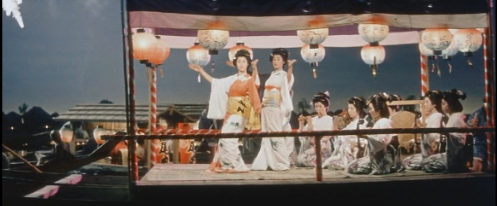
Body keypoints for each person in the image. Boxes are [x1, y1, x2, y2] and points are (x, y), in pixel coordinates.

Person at [189, 49, 261, 173]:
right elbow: (215, 82)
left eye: (244, 61)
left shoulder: (248, 79)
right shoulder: (232, 79)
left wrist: (258, 110)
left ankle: (234, 165)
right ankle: (229, 164)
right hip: (230, 112)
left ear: (248, 63)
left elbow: (255, 92)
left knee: (229, 138)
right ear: (236, 64)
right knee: (224, 139)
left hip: (240, 111)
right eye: (239, 61)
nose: (241, 64)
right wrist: (201, 71)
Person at [251, 48, 295, 171]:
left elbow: (288, 83)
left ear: (284, 62)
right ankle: (268, 162)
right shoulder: (272, 75)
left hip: (275, 107)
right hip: (266, 108)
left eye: (278, 59)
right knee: (266, 137)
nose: (275, 61)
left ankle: (282, 162)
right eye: (274, 59)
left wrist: (290, 68)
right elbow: (258, 83)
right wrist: (255, 68)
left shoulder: (283, 75)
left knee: (276, 135)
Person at [347, 93, 395, 175]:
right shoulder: (380, 122)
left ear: (378, 111)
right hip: (375, 157)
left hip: (382, 160)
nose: (369, 112)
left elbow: (382, 141)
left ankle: (381, 168)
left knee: (352, 167)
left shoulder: (384, 122)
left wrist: (366, 136)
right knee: (351, 165)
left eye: (371, 109)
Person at [322, 96, 368, 170]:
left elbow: (364, 140)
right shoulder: (350, 124)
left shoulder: (362, 123)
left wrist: (355, 144)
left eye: (352, 108)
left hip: (352, 153)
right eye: (348, 108)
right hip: (343, 152)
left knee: (331, 164)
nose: (349, 111)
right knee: (327, 163)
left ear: (358, 110)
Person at [402, 90, 444, 170]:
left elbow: (435, 136)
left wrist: (422, 128)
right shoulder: (432, 117)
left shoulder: (437, 116)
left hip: (433, 152)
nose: (424, 105)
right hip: (427, 153)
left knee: (408, 163)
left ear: (434, 104)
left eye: (427, 102)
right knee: (406, 161)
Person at [295, 91, 334, 167]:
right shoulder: (313, 119)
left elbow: (324, 137)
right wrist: (301, 124)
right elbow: (303, 137)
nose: (318, 109)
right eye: (316, 106)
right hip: (310, 148)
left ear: (326, 107)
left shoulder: (330, 119)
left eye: (320, 106)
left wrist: (310, 125)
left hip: (321, 148)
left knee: (302, 160)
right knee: (300, 160)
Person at [440, 89, 469, 173]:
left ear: (451, 105)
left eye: (444, 104)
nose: (442, 106)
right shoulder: (453, 117)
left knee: (426, 163)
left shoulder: (456, 119)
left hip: (456, 158)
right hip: (452, 155)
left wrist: (447, 134)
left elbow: (460, 141)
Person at [466, 98, 488, 172]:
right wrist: (473, 126)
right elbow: (468, 129)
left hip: (492, 142)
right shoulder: (478, 113)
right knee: (477, 166)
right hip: (480, 142)